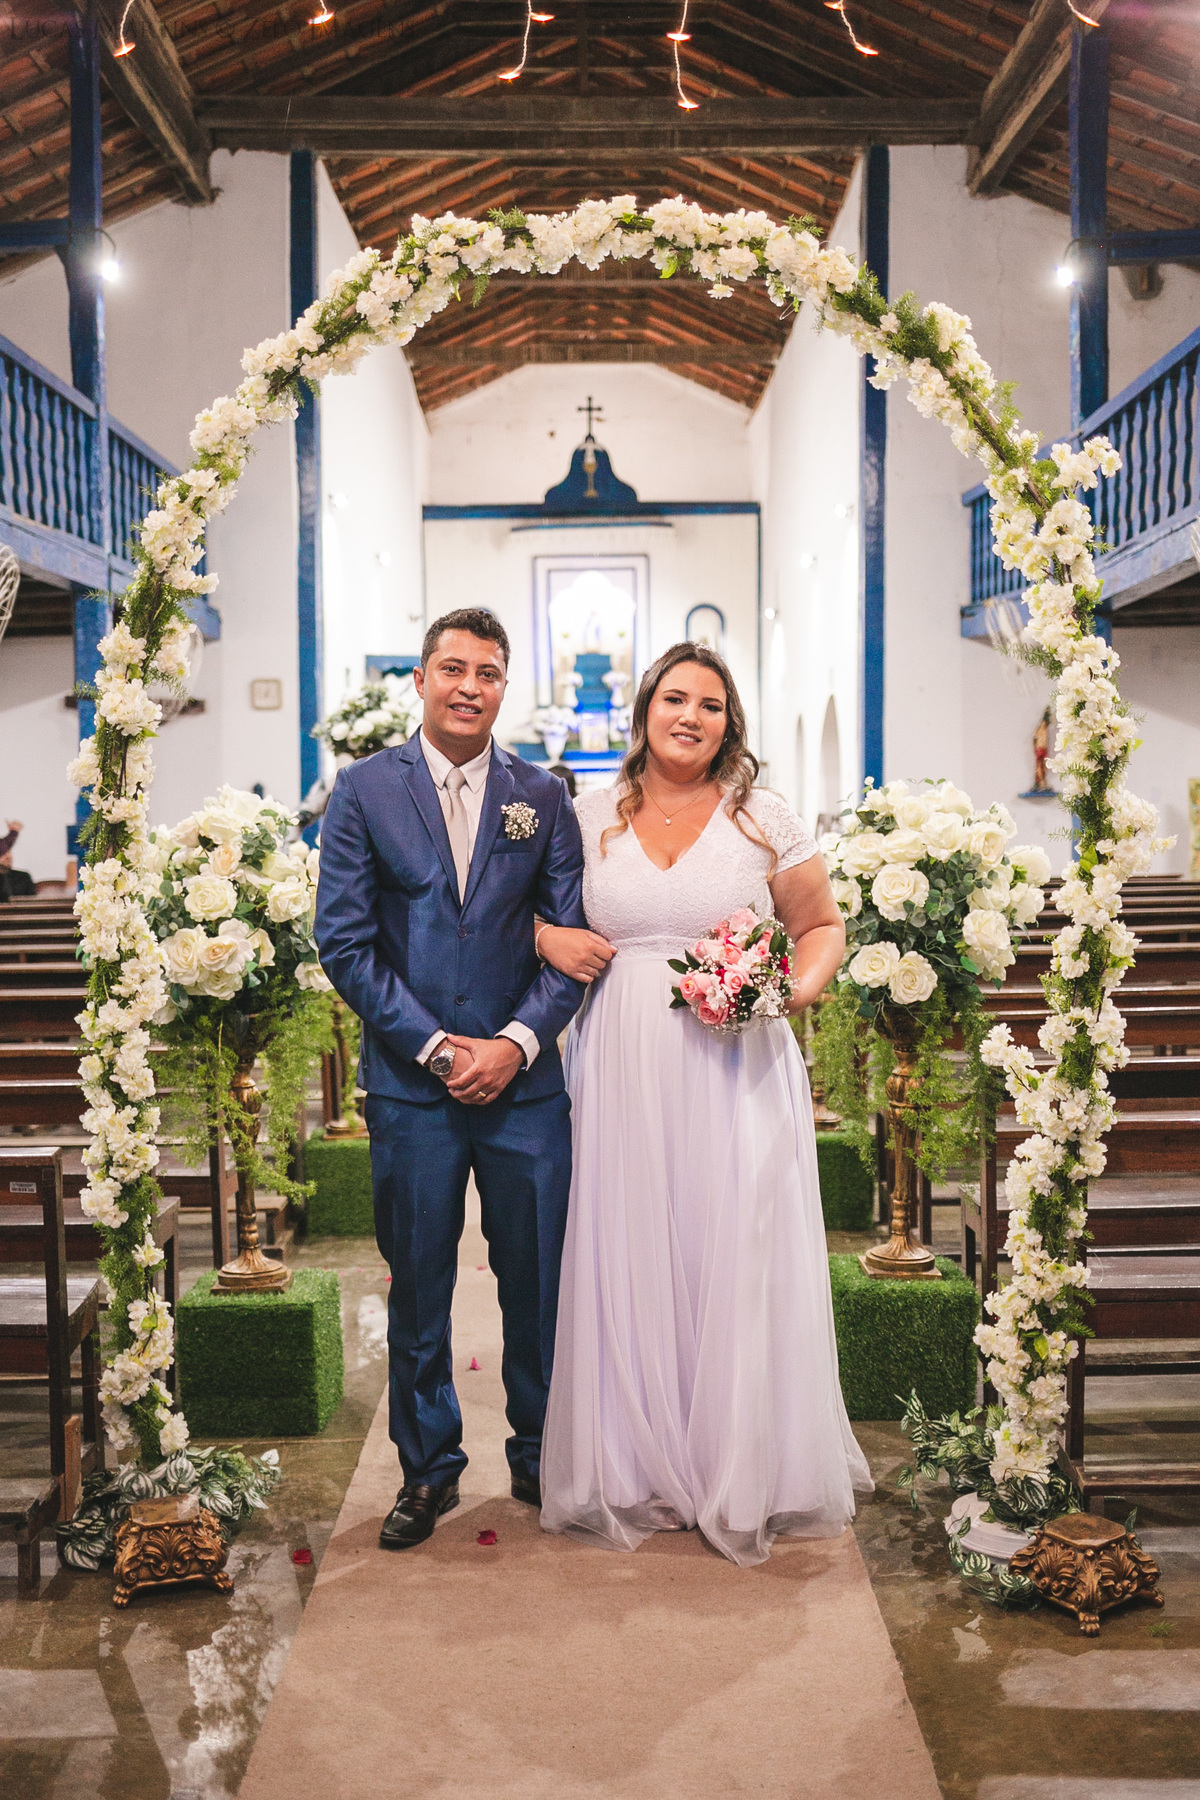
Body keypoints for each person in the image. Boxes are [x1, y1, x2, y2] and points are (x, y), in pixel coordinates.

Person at [535, 643, 873, 1566]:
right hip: (623, 1058)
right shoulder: (586, 814)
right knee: (634, 1242)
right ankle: (637, 1463)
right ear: (645, 709)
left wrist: (789, 994)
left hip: (736, 1057)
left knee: (734, 1242)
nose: (692, 716)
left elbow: (821, 926)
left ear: (732, 722)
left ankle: (742, 1463)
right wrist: (541, 933)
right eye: (675, 698)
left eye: (712, 705)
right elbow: (523, 914)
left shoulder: (764, 816)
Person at [315, 609, 588, 1549]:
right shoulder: (361, 792)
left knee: (539, 1281)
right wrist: (436, 1048)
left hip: (526, 1091)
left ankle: (544, 1451)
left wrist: (513, 1044)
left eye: (490, 672)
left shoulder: (544, 795)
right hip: (411, 1089)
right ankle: (428, 1469)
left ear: (505, 687)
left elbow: (571, 941)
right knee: (421, 1288)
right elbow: (344, 944)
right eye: (454, 669)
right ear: (422, 681)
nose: (472, 686)